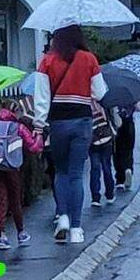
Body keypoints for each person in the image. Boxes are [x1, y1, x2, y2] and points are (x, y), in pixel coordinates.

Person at [32, 25, 107, 244]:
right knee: (76, 174)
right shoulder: (89, 59)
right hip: (82, 122)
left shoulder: (47, 61)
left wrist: (38, 126)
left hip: (58, 124)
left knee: (61, 172)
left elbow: (41, 98)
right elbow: (100, 93)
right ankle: (76, 228)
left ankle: (62, 217)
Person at [0, 100, 44, 250]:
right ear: (15, 111)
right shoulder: (17, 127)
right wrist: (38, 136)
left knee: (1, 200)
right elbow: (34, 147)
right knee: (15, 199)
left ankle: (2, 236)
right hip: (12, 167)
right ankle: (21, 233)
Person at [89, 99, 116, 206]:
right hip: (106, 138)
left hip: (92, 140)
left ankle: (96, 197)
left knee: (95, 168)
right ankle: (109, 194)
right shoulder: (104, 100)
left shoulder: (84, 102)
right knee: (106, 167)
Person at [113, 103, 137, 191]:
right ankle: (128, 168)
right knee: (129, 150)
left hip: (116, 127)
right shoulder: (129, 95)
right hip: (129, 124)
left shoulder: (111, 96)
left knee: (117, 152)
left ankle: (120, 179)